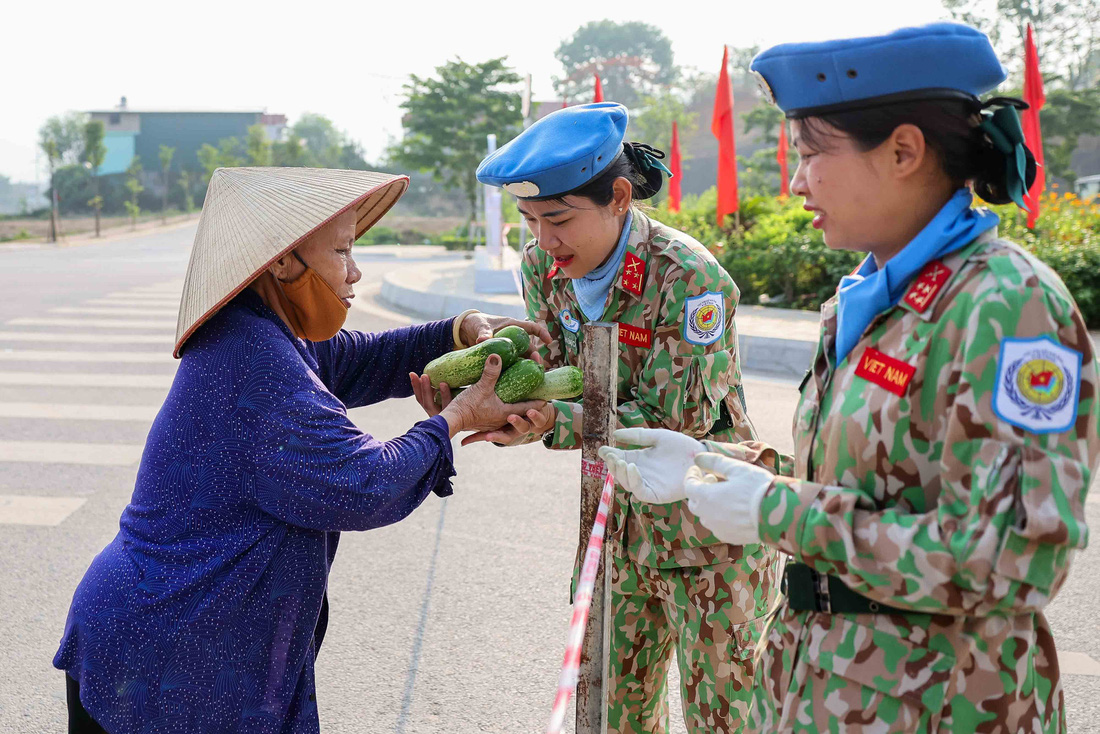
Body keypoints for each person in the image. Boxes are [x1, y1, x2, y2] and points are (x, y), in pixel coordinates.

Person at [601, 22, 1100, 733]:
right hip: (832, 693)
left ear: (903, 151)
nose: (797, 180)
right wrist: (713, 468)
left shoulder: (1008, 309)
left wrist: (778, 513)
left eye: (811, 154)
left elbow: (1011, 560)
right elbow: (868, 488)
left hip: (940, 706)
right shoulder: (868, 296)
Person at [52, 166, 550, 733]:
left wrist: (458, 331)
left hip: (173, 636)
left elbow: (357, 357)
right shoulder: (258, 365)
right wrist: (456, 418)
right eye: (341, 251)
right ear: (285, 262)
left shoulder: (260, 331)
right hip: (167, 653)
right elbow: (367, 484)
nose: (355, 271)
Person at [473, 103, 775, 733]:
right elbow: (560, 372)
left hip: (708, 533)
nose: (545, 241)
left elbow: (676, 425)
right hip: (614, 530)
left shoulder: (685, 276)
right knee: (611, 713)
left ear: (616, 197)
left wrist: (550, 420)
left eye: (558, 219)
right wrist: (507, 397)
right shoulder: (541, 268)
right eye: (530, 222)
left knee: (727, 718)